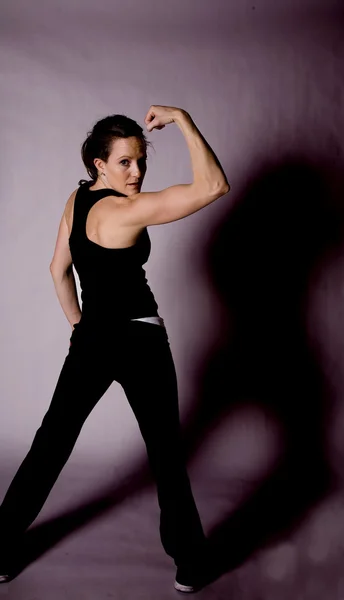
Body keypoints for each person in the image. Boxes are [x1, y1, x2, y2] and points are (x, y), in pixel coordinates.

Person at [0, 105, 230, 592]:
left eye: (142, 161)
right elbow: (213, 186)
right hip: (141, 340)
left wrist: (82, 328)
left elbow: (57, 271)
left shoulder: (76, 200)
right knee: (167, 452)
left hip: (95, 338)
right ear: (98, 164)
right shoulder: (129, 210)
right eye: (124, 162)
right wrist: (185, 120)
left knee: (51, 442)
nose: (138, 172)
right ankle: (190, 563)